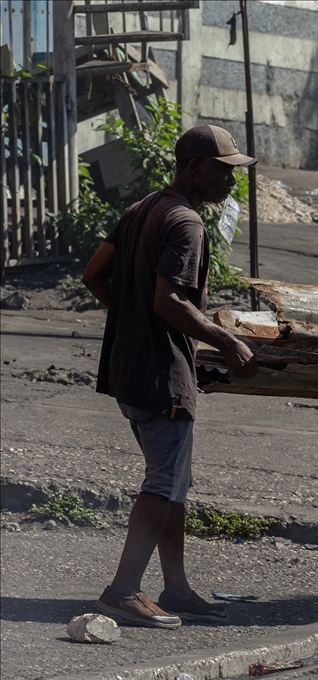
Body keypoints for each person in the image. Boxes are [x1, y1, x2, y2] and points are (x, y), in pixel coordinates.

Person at [82, 124, 259, 628]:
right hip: (162, 375)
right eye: (224, 171)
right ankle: (123, 591)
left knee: (175, 478)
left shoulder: (142, 210)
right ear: (194, 167)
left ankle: (177, 589)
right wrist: (229, 343)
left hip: (128, 370)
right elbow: (170, 300)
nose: (231, 182)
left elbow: (94, 273)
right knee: (163, 481)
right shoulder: (185, 224)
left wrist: (130, 316)